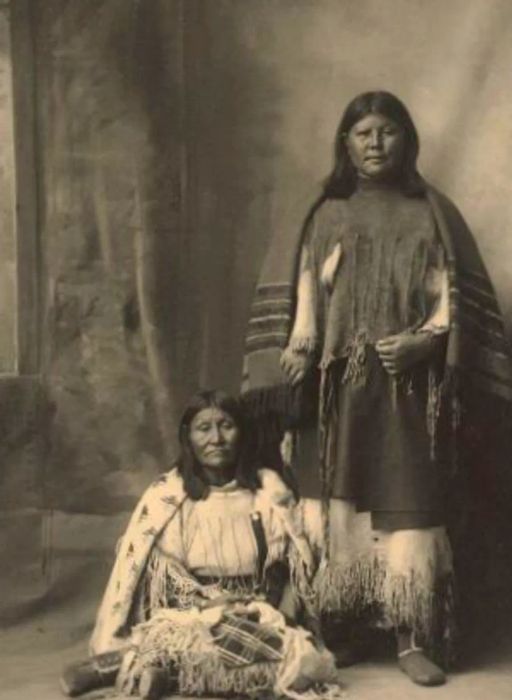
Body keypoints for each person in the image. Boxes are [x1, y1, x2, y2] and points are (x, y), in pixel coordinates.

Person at [241, 91, 512, 687]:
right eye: (363, 133)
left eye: (387, 132)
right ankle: (346, 626)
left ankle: (411, 634)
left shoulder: (430, 213)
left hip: (408, 388)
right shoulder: (325, 213)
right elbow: (308, 290)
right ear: (346, 143)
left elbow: (450, 302)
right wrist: (302, 345)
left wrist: (428, 342)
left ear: (406, 140)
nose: (375, 144)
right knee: (334, 506)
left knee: (407, 503)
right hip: (335, 388)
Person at [60, 390, 345, 699]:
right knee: (197, 639)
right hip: (190, 614)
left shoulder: (269, 491)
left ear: (243, 433)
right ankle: (160, 663)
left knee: (305, 661)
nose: (216, 439)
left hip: (257, 611)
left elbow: (292, 561)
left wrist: (258, 606)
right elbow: (159, 573)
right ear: (188, 437)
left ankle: (143, 670)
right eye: (204, 428)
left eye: (226, 425)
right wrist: (207, 602)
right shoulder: (168, 495)